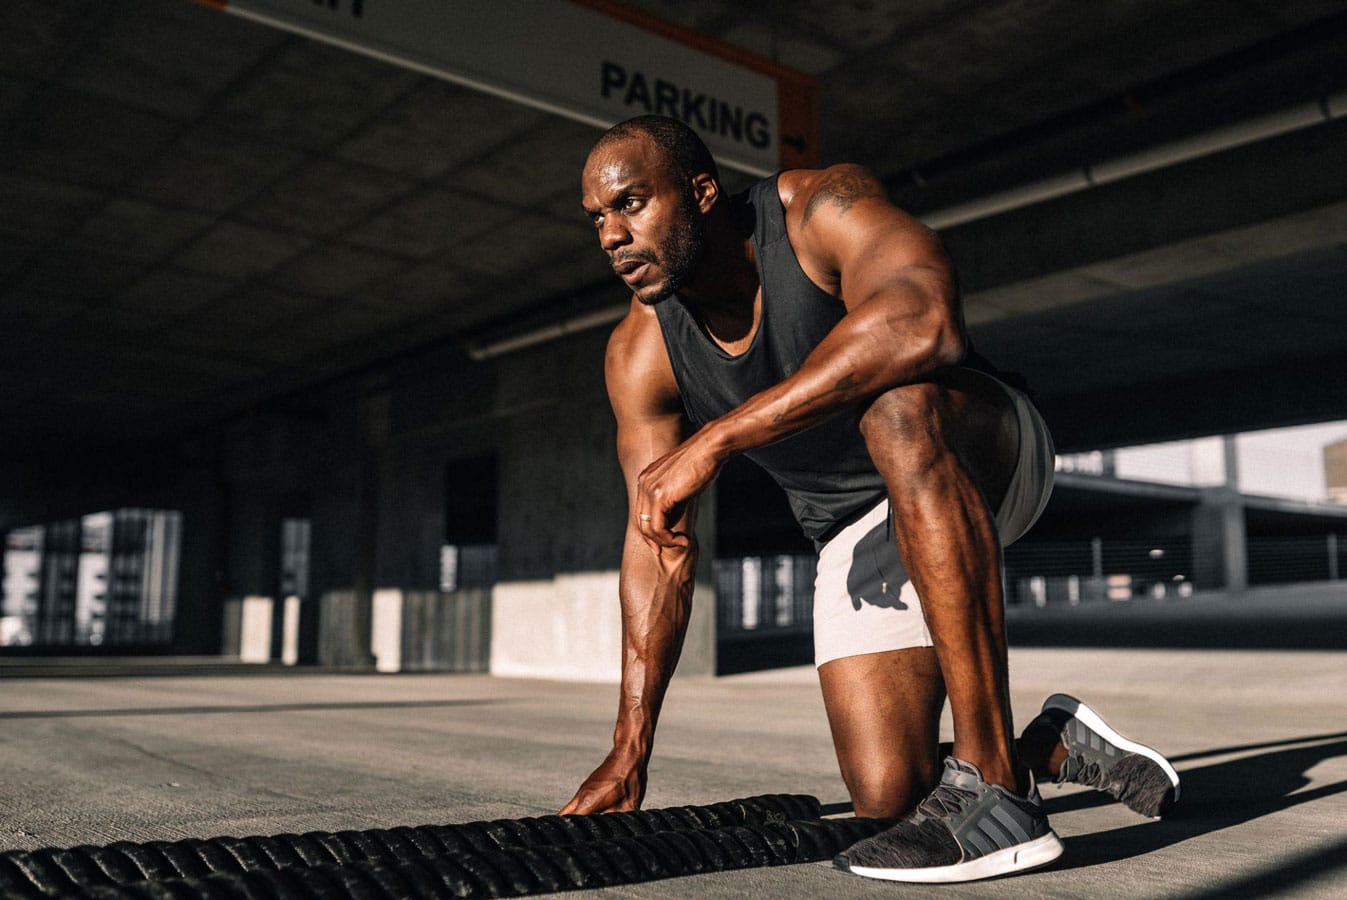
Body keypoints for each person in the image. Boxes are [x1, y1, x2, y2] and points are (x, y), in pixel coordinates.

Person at [560, 115, 1177, 883]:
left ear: (702, 192)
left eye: (630, 204)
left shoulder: (820, 209)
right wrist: (628, 749)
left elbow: (924, 321)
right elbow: (657, 545)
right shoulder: (640, 349)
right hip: (854, 522)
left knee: (898, 408)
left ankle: (998, 787)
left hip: (980, 454)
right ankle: (1047, 746)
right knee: (889, 798)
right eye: (597, 218)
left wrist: (717, 438)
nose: (611, 235)